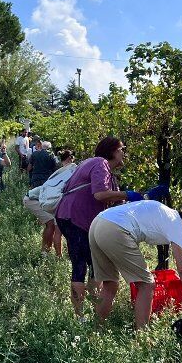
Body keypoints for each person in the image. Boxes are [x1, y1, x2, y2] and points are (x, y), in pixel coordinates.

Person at [89, 201, 182, 329]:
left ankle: (96, 330)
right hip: (115, 229)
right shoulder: (178, 226)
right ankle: (142, 337)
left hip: (98, 222)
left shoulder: (167, 214)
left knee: (110, 284)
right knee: (147, 284)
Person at [54, 136, 129, 317]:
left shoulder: (102, 168)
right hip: (75, 219)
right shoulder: (100, 163)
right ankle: (79, 315)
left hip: (75, 218)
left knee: (95, 263)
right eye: (121, 149)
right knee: (80, 264)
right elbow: (100, 195)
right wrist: (129, 194)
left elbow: (112, 200)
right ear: (112, 151)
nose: (123, 153)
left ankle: (91, 308)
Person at [23, 147, 75, 254]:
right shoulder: (69, 173)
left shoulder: (63, 172)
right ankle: (47, 253)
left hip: (38, 197)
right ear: (71, 158)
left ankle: (46, 252)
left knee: (52, 224)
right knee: (52, 224)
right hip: (32, 199)